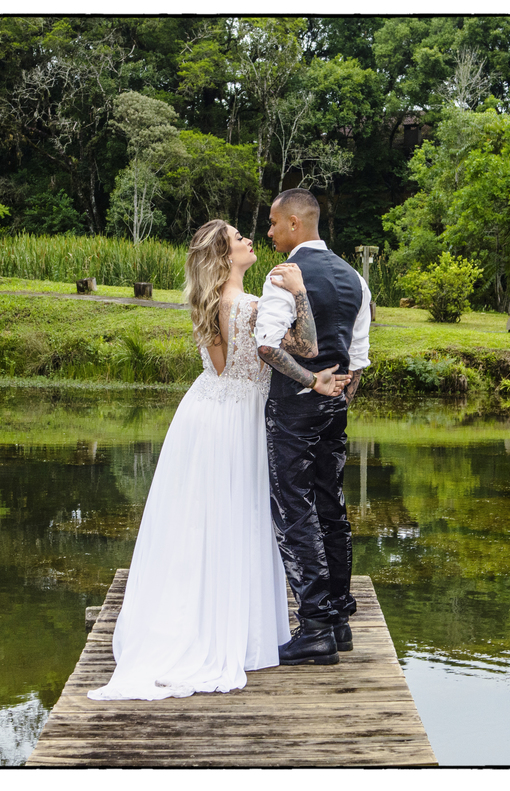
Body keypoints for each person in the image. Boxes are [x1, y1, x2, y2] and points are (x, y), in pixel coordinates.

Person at [87, 219, 346, 701]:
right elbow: (306, 347)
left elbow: (224, 365)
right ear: (226, 257)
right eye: (238, 238)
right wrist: (300, 293)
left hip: (205, 410)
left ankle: (196, 614)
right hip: (242, 414)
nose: (249, 239)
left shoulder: (206, 302)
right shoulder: (251, 306)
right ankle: (236, 629)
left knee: (200, 518)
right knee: (239, 515)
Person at [254, 188, 371, 666]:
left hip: (295, 408)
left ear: (294, 224)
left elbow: (267, 346)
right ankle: (340, 620)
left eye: (273, 223)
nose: (269, 231)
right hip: (335, 409)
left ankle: (316, 628)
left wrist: (311, 384)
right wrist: (338, 399)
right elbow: (358, 359)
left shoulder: (284, 276)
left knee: (295, 512)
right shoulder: (353, 278)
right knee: (332, 507)